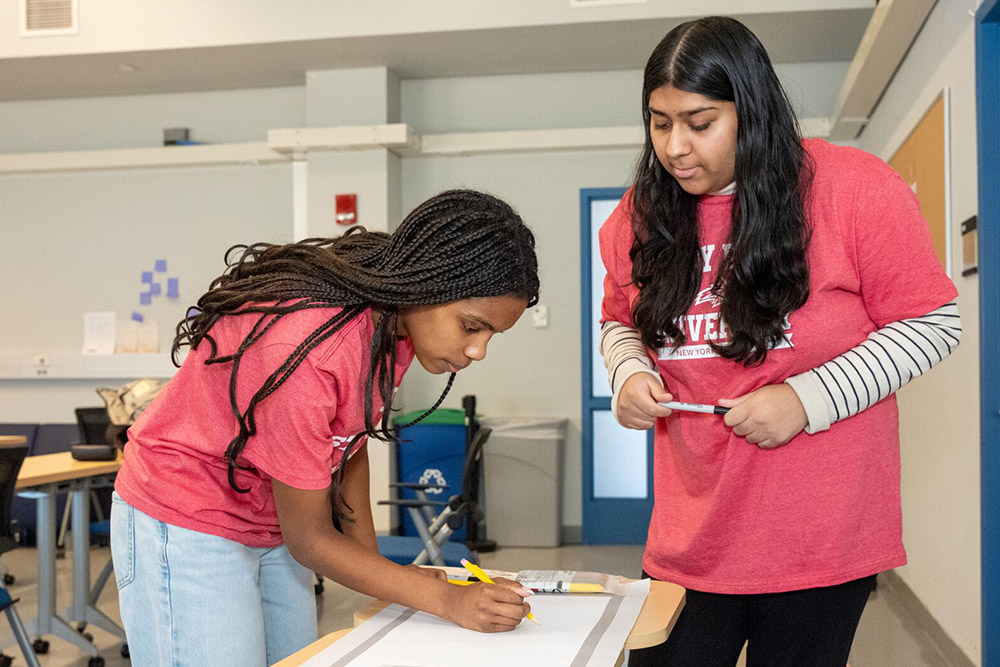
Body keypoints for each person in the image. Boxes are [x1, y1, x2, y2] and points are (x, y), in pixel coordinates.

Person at [599, 16, 961, 667]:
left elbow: (932, 323)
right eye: (659, 122)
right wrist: (627, 372)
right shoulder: (640, 213)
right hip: (689, 541)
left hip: (819, 545)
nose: (675, 147)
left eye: (700, 122)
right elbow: (619, 319)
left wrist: (804, 397)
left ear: (752, 109)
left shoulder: (853, 189)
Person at [111, 189, 540, 666]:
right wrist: (440, 598)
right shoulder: (308, 347)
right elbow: (311, 538)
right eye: (470, 326)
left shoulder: (393, 328)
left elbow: (347, 444)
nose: (478, 351)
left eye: (491, 335)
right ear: (426, 286)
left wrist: (386, 578)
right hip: (187, 514)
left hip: (268, 514)